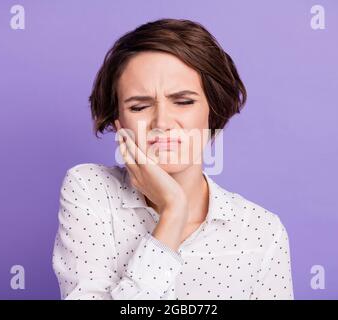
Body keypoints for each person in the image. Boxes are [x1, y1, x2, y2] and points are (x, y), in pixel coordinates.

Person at [52, 18, 294, 300]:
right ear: (119, 122)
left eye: (183, 101)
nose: (162, 122)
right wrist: (173, 212)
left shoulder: (262, 231)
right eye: (140, 105)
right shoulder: (91, 190)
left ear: (212, 111)